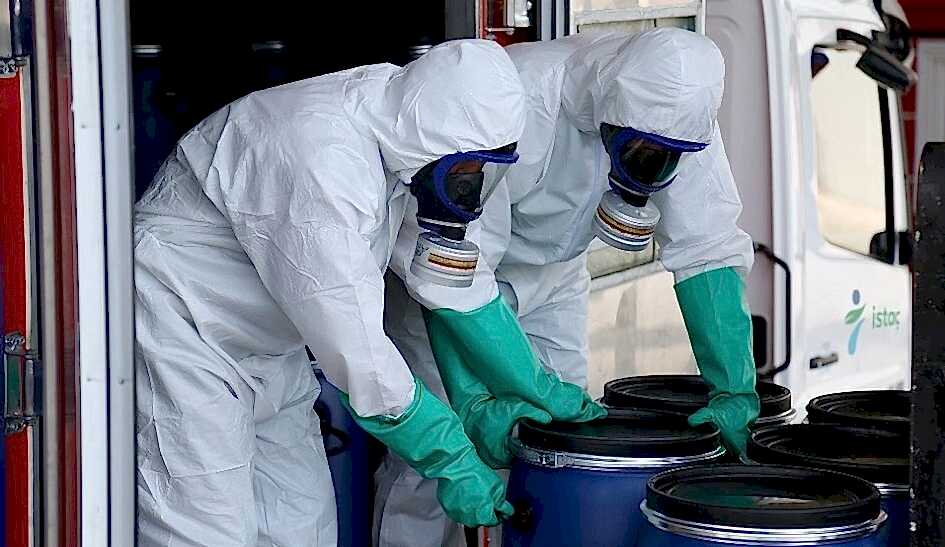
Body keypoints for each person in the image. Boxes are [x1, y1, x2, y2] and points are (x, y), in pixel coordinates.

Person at [133, 39, 532, 546]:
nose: (469, 193)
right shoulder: (323, 158)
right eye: (465, 174)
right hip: (185, 327)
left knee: (302, 523)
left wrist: (469, 400)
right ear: (436, 142)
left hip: (267, 344)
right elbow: (358, 351)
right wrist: (449, 456)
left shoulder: (399, 128)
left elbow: (425, 275)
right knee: (208, 530)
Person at [375, 27, 761, 546]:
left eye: (661, 156)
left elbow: (707, 248)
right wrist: (470, 401)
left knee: (555, 441)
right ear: (609, 115)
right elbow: (451, 273)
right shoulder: (518, 99)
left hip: (555, 279)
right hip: (451, 276)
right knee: (433, 461)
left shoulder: (682, 117)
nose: (647, 166)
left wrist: (734, 389)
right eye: (635, 151)